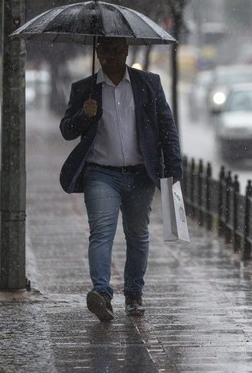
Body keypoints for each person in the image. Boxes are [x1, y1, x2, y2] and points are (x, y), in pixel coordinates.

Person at [59, 36, 182, 321]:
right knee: (101, 233)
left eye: (117, 50)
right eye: (106, 50)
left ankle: (134, 293)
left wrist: (174, 170)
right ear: (98, 52)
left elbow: (167, 127)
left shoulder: (148, 84)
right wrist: (83, 115)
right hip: (100, 174)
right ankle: (101, 293)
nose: (112, 55)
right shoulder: (84, 89)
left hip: (141, 174)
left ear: (126, 50)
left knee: (137, 235)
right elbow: (67, 130)